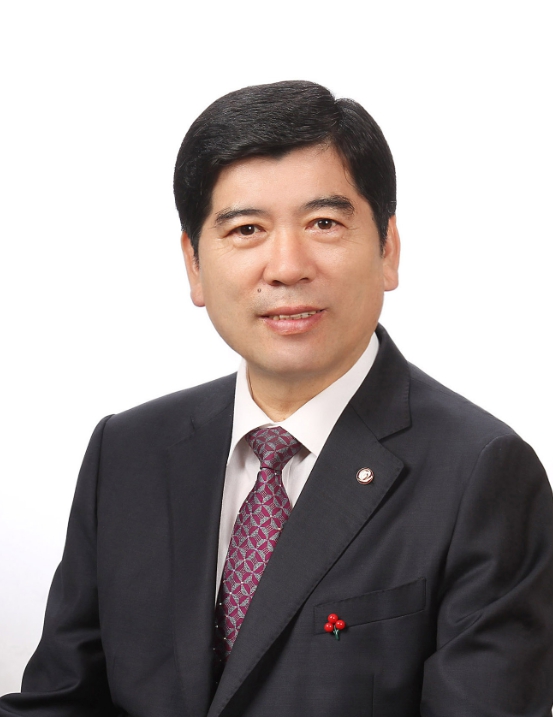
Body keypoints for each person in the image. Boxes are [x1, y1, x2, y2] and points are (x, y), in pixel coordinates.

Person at [1, 80, 552, 717]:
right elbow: (62, 702)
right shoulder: (127, 453)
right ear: (194, 265)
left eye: (324, 223)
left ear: (388, 249)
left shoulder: (481, 473)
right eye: (246, 229)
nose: (287, 266)